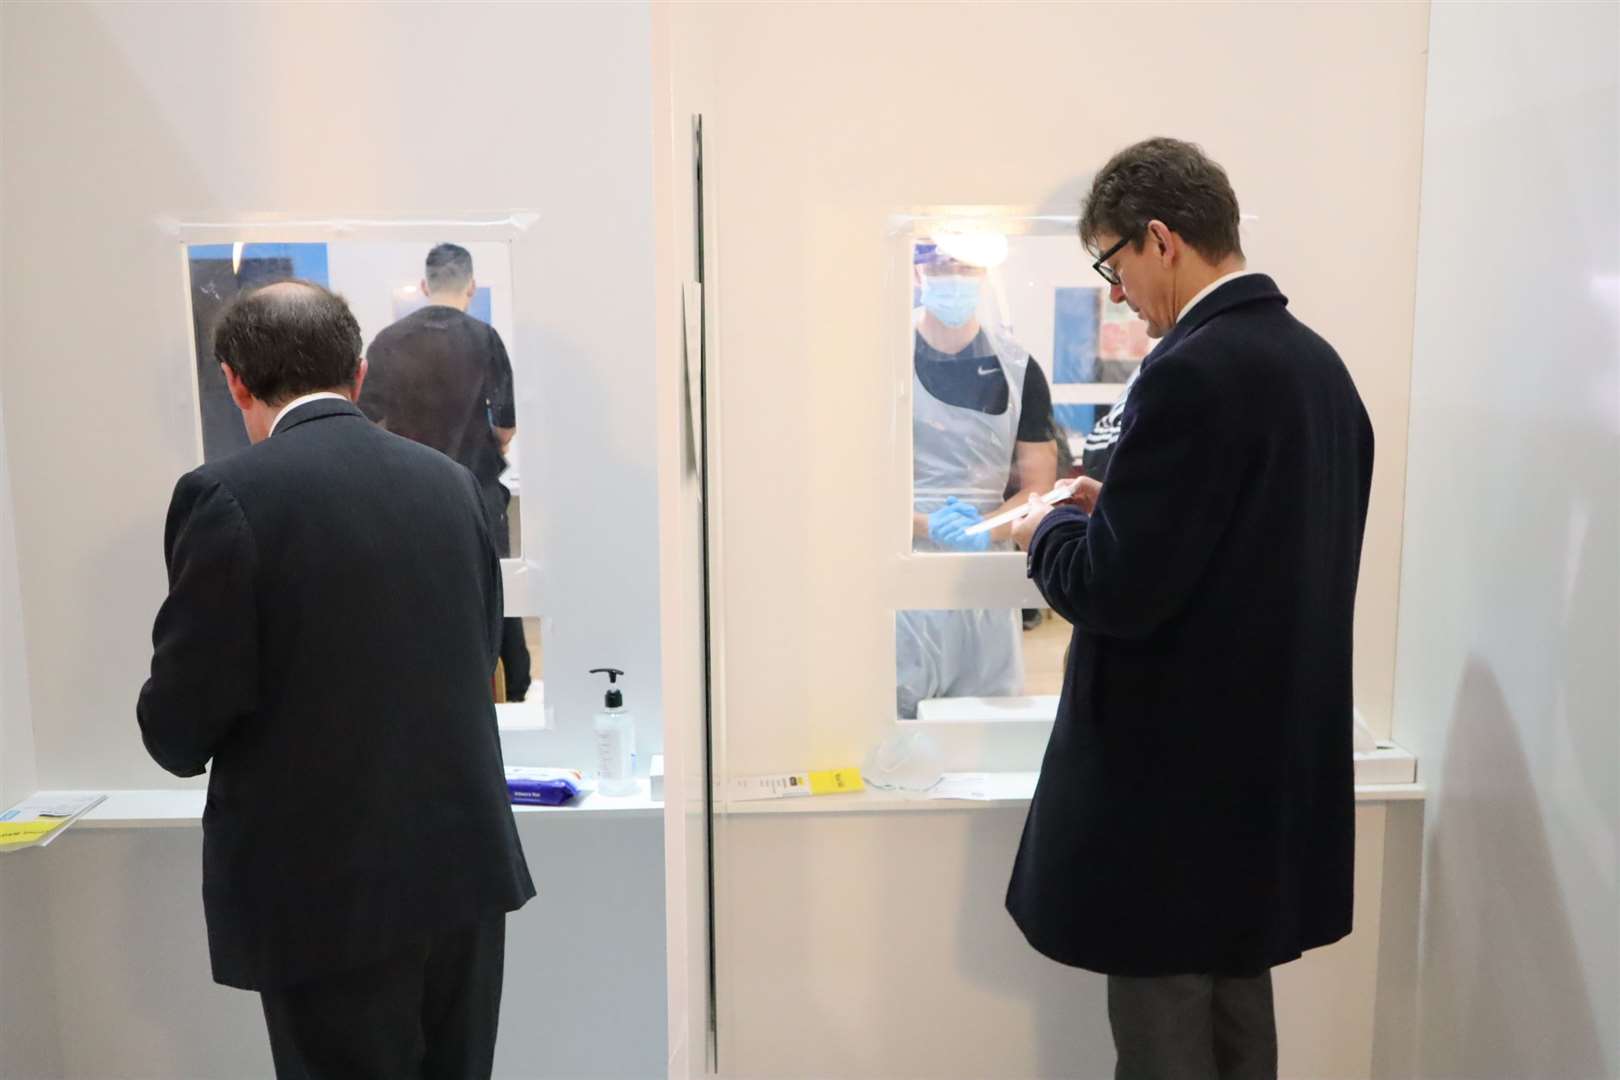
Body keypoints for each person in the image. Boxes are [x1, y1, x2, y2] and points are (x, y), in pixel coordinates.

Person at [1007, 138, 1374, 1080]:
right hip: (1261, 785)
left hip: (1170, 801)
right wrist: (1113, 508)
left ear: (1160, 240)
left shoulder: (1191, 370)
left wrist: (1048, 528)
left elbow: (1112, 593)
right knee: (1240, 1028)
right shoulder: (1320, 372)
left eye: (1114, 263)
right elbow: (1237, 550)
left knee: (1166, 1043)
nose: (1118, 292)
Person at [137, 280, 534, 1079]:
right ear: (356, 373)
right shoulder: (450, 486)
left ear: (234, 379)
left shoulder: (227, 497)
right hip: (462, 870)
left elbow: (179, 728)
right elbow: (478, 645)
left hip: (322, 893)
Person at [359, 242, 531, 701]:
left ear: (423, 286)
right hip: (477, 492)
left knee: (415, 594)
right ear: (471, 287)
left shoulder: (387, 342)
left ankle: (422, 693)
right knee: (497, 590)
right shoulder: (485, 338)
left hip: (407, 496)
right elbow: (508, 423)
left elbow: (367, 421)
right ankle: (513, 689)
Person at [897, 234, 1058, 718]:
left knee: (984, 723)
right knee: (898, 717)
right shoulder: (882, 360)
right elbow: (850, 483)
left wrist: (983, 526)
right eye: (941, 266)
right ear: (916, 272)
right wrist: (924, 525)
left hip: (985, 573)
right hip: (901, 572)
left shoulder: (1017, 367)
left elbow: (1038, 485)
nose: (953, 279)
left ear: (985, 275)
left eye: (966, 268)